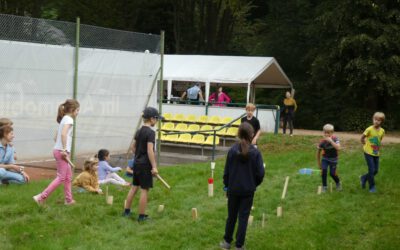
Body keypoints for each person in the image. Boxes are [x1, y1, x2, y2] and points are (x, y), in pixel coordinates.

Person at [220, 122, 265, 250]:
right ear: (251, 135)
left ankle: (227, 242)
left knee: (232, 216)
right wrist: (253, 184)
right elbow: (261, 174)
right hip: (246, 191)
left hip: (234, 190)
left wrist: (227, 186)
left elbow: (226, 173)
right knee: (242, 218)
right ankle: (238, 246)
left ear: (239, 134)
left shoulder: (235, 151)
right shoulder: (240, 151)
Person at [33, 99, 80, 206]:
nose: (78, 113)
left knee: (68, 177)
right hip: (61, 152)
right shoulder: (69, 120)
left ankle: (68, 200)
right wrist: (64, 149)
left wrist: (62, 148)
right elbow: (63, 134)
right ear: (72, 110)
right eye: (77, 110)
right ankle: (41, 197)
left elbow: (56, 136)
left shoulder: (64, 119)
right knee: (61, 177)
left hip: (59, 150)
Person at [123, 107, 162, 222]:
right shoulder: (150, 133)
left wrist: (139, 156)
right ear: (151, 119)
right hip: (145, 165)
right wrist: (154, 166)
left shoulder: (139, 131)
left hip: (137, 163)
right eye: (156, 119)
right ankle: (141, 216)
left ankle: (127, 212)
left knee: (134, 187)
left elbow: (133, 147)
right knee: (144, 190)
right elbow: (150, 150)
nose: (157, 121)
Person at [360, 112, 385, 193]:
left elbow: (379, 140)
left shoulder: (382, 131)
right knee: (371, 170)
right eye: (375, 119)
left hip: (376, 153)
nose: (376, 121)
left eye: (378, 120)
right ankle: (372, 187)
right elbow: (362, 137)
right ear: (373, 119)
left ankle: (364, 178)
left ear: (382, 121)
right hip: (368, 152)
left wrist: (377, 148)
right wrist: (364, 144)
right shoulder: (369, 129)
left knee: (375, 171)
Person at [317, 124, 342, 192]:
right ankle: (324, 186)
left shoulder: (335, 139)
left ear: (332, 133)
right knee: (324, 171)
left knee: (332, 173)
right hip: (325, 159)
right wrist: (319, 164)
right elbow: (318, 153)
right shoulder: (322, 142)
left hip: (333, 160)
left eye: (328, 133)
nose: (326, 134)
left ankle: (338, 183)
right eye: (325, 132)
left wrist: (331, 141)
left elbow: (339, 148)